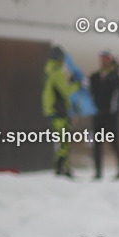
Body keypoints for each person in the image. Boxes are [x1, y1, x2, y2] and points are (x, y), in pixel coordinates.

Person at [89, 50, 119, 179]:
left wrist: (118, 76)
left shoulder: (115, 77)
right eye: (102, 59)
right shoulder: (95, 77)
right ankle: (98, 172)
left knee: (115, 144)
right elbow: (88, 91)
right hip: (98, 116)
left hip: (111, 117)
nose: (104, 62)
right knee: (97, 145)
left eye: (107, 59)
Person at [41, 45, 79, 176]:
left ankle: (66, 169)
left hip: (53, 112)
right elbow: (66, 91)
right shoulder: (57, 73)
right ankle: (60, 169)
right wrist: (76, 84)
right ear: (60, 59)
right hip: (60, 112)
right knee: (65, 142)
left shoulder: (48, 71)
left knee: (63, 141)